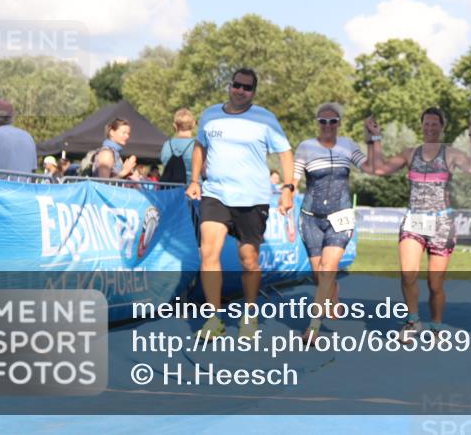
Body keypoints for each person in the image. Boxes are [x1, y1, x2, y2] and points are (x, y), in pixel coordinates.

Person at [186, 68, 295, 340]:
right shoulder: (210, 114)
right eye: (237, 85)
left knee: (249, 260)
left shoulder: (265, 119)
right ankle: (213, 318)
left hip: (252, 197)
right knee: (208, 252)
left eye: (247, 88)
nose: (240, 91)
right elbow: (200, 147)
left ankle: (250, 312)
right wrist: (195, 179)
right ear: (230, 85)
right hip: (216, 193)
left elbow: (285, 152)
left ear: (253, 92)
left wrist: (288, 188)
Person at [369, 107, 471, 341]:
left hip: (441, 223)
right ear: (421, 126)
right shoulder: (411, 154)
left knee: (435, 284)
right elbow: (379, 169)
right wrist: (376, 138)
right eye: (426, 124)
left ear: (442, 127)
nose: (430, 128)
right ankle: (412, 321)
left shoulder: (450, 153)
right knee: (407, 275)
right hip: (414, 221)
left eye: (434, 124)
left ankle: (437, 325)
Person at [292, 102, 378, 341]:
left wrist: (373, 139)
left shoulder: (348, 146)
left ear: (339, 123)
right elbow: (294, 178)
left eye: (333, 121)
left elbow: (371, 168)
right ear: (317, 123)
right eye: (323, 121)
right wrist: (287, 194)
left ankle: (314, 327)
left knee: (327, 269)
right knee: (319, 275)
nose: (328, 126)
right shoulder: (306, 147)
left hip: (340, 217)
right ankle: (333, 293)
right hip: (310, 218)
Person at [159, 108, 196, 184]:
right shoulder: (197, 145)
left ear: (175, 126)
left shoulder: (167, 145)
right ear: (193, 124)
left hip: (170, 191)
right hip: (193, 190)